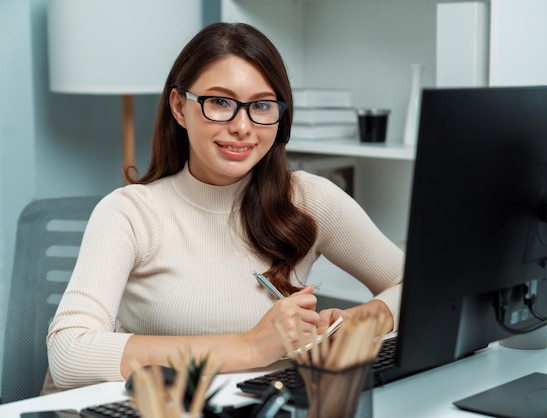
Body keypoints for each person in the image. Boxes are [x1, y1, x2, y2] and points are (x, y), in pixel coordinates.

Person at [45, 22, 403, 393]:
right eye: (220, 102)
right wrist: (250, 346)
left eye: (262, 106)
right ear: (179, 108)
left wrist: (365, 319)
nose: (243, 127)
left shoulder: (310, 199)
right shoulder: (129, 213)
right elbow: (69, 352)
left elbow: (415, 284)